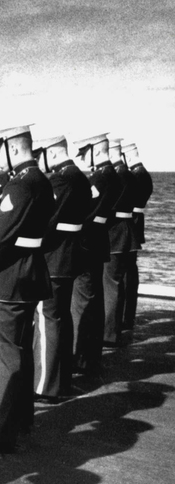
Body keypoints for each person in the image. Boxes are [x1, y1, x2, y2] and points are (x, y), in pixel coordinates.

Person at [0, 124, 54, 454]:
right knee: (19, 350)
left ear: (14, 148)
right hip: (29, 273)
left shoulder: (20, 186)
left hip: (8, 279)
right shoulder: (41, 182)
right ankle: (19, 419)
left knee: (3, 355)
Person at [31, 134, 93, 404]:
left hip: (54, 257)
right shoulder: (79, 177)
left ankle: (46, 385)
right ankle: (61, 378)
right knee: (61, 318)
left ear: (52, 154)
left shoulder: (60, 180)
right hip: (71, 255)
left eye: (41, 155)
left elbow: (46, 220)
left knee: (48, 319)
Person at [69, 133, 119, 377]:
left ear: (96, 150)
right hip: (97, 243)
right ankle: (89, 355)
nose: (82, 158)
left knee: (83, 302)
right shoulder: (108, 175)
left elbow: (89, 214)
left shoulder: (102, 177)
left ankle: (81, 357)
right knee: (92, 300)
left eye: (84, 152)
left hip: (88, 244)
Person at [102, 139, 136, 347]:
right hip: (125, 231)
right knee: (117, 283)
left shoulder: (117, 176)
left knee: (111, 284)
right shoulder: (129, 175)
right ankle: (115, 327)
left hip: (114, 233)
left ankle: (109, 333)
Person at [123, 143, 153, 331]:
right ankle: (128, 313)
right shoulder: (143, 174)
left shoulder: (137, 176)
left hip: (131, 223)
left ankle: (127, 315)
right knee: (129, 272)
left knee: (127, 274)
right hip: (134, 223)